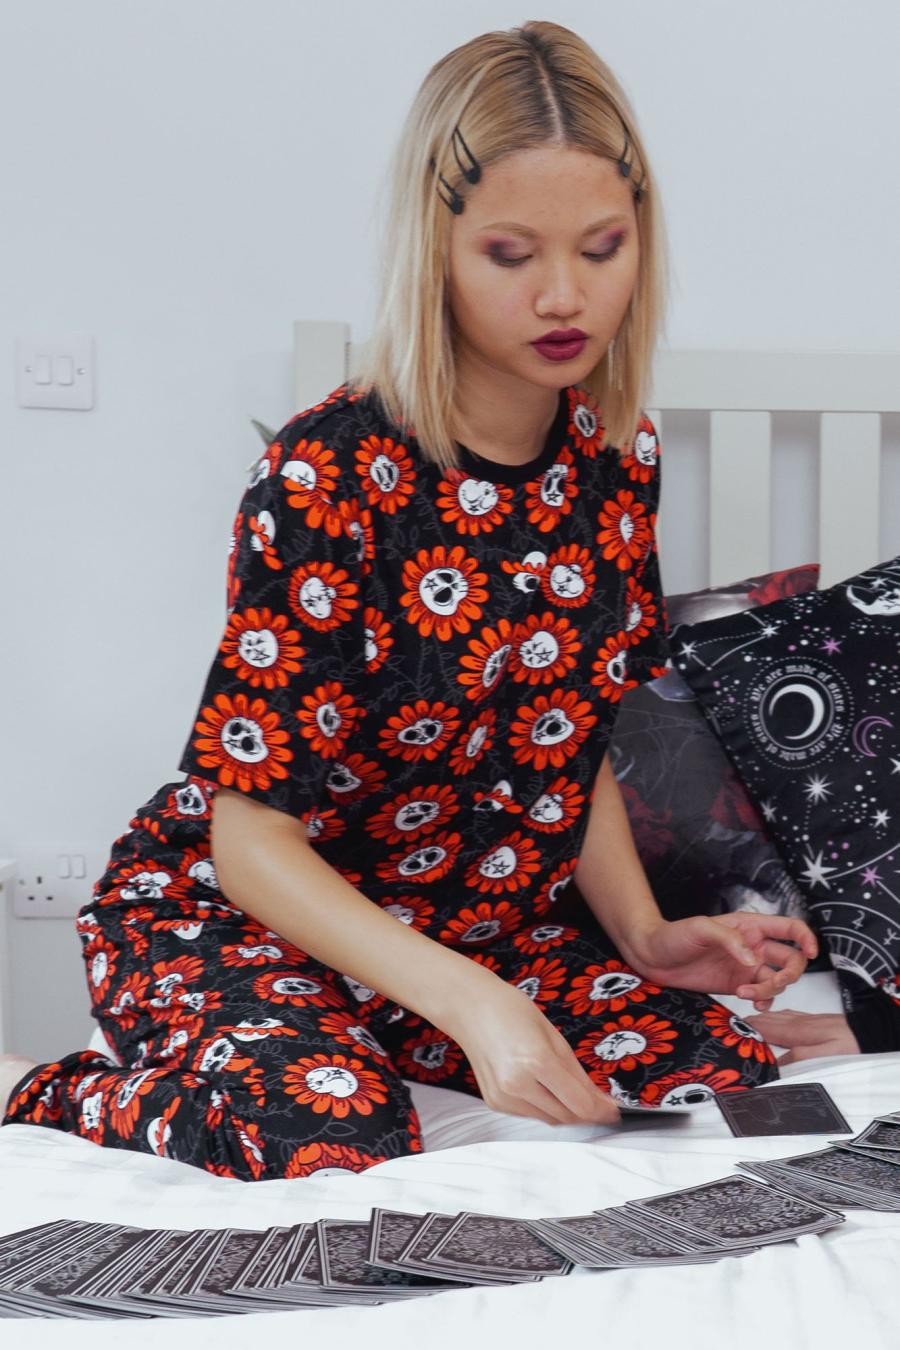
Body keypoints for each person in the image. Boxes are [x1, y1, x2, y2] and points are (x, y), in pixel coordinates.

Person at [0, 20, 823, 1182]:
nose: (563, 295)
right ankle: (29, 1083)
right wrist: (473, 1004)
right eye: (509, 254)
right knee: (330, 1133)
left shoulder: (616, 455)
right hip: (245, 917)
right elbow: (250, 841)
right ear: (433, 250)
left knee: (719, 1073)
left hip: (477, 933)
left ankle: (380, 1037)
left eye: (602, 248)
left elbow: (569, 734)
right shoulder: (326, 473)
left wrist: (645, 935)